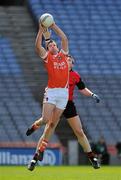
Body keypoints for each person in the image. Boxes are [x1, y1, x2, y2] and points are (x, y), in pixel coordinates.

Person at [26, 29, 100, 169]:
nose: (69, 61)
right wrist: (44, 32)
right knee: (49, 124)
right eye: (68, 59)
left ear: (71, 63)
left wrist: (92, 95)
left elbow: (82, 89)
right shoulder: (54, 58)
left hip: (67, 101)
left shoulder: (74, 74)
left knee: (78, 131)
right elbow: (43, 47)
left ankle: (92, 157)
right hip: (54, 95)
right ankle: (37, 153)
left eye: (71, 60)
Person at [27, 20, 69, 171]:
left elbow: (64, 38)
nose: (52, 46)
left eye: (53, 45)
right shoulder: (48, 58)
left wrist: (53, 26)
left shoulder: (64, 56)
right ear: (48, 49)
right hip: (52, 92)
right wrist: (40, 30)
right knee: (45, 120)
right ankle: (36, 124)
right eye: (49, 45)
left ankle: (38, 153)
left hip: (63, 94)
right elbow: (37, 46)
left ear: (57, 47)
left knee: (52, 125)